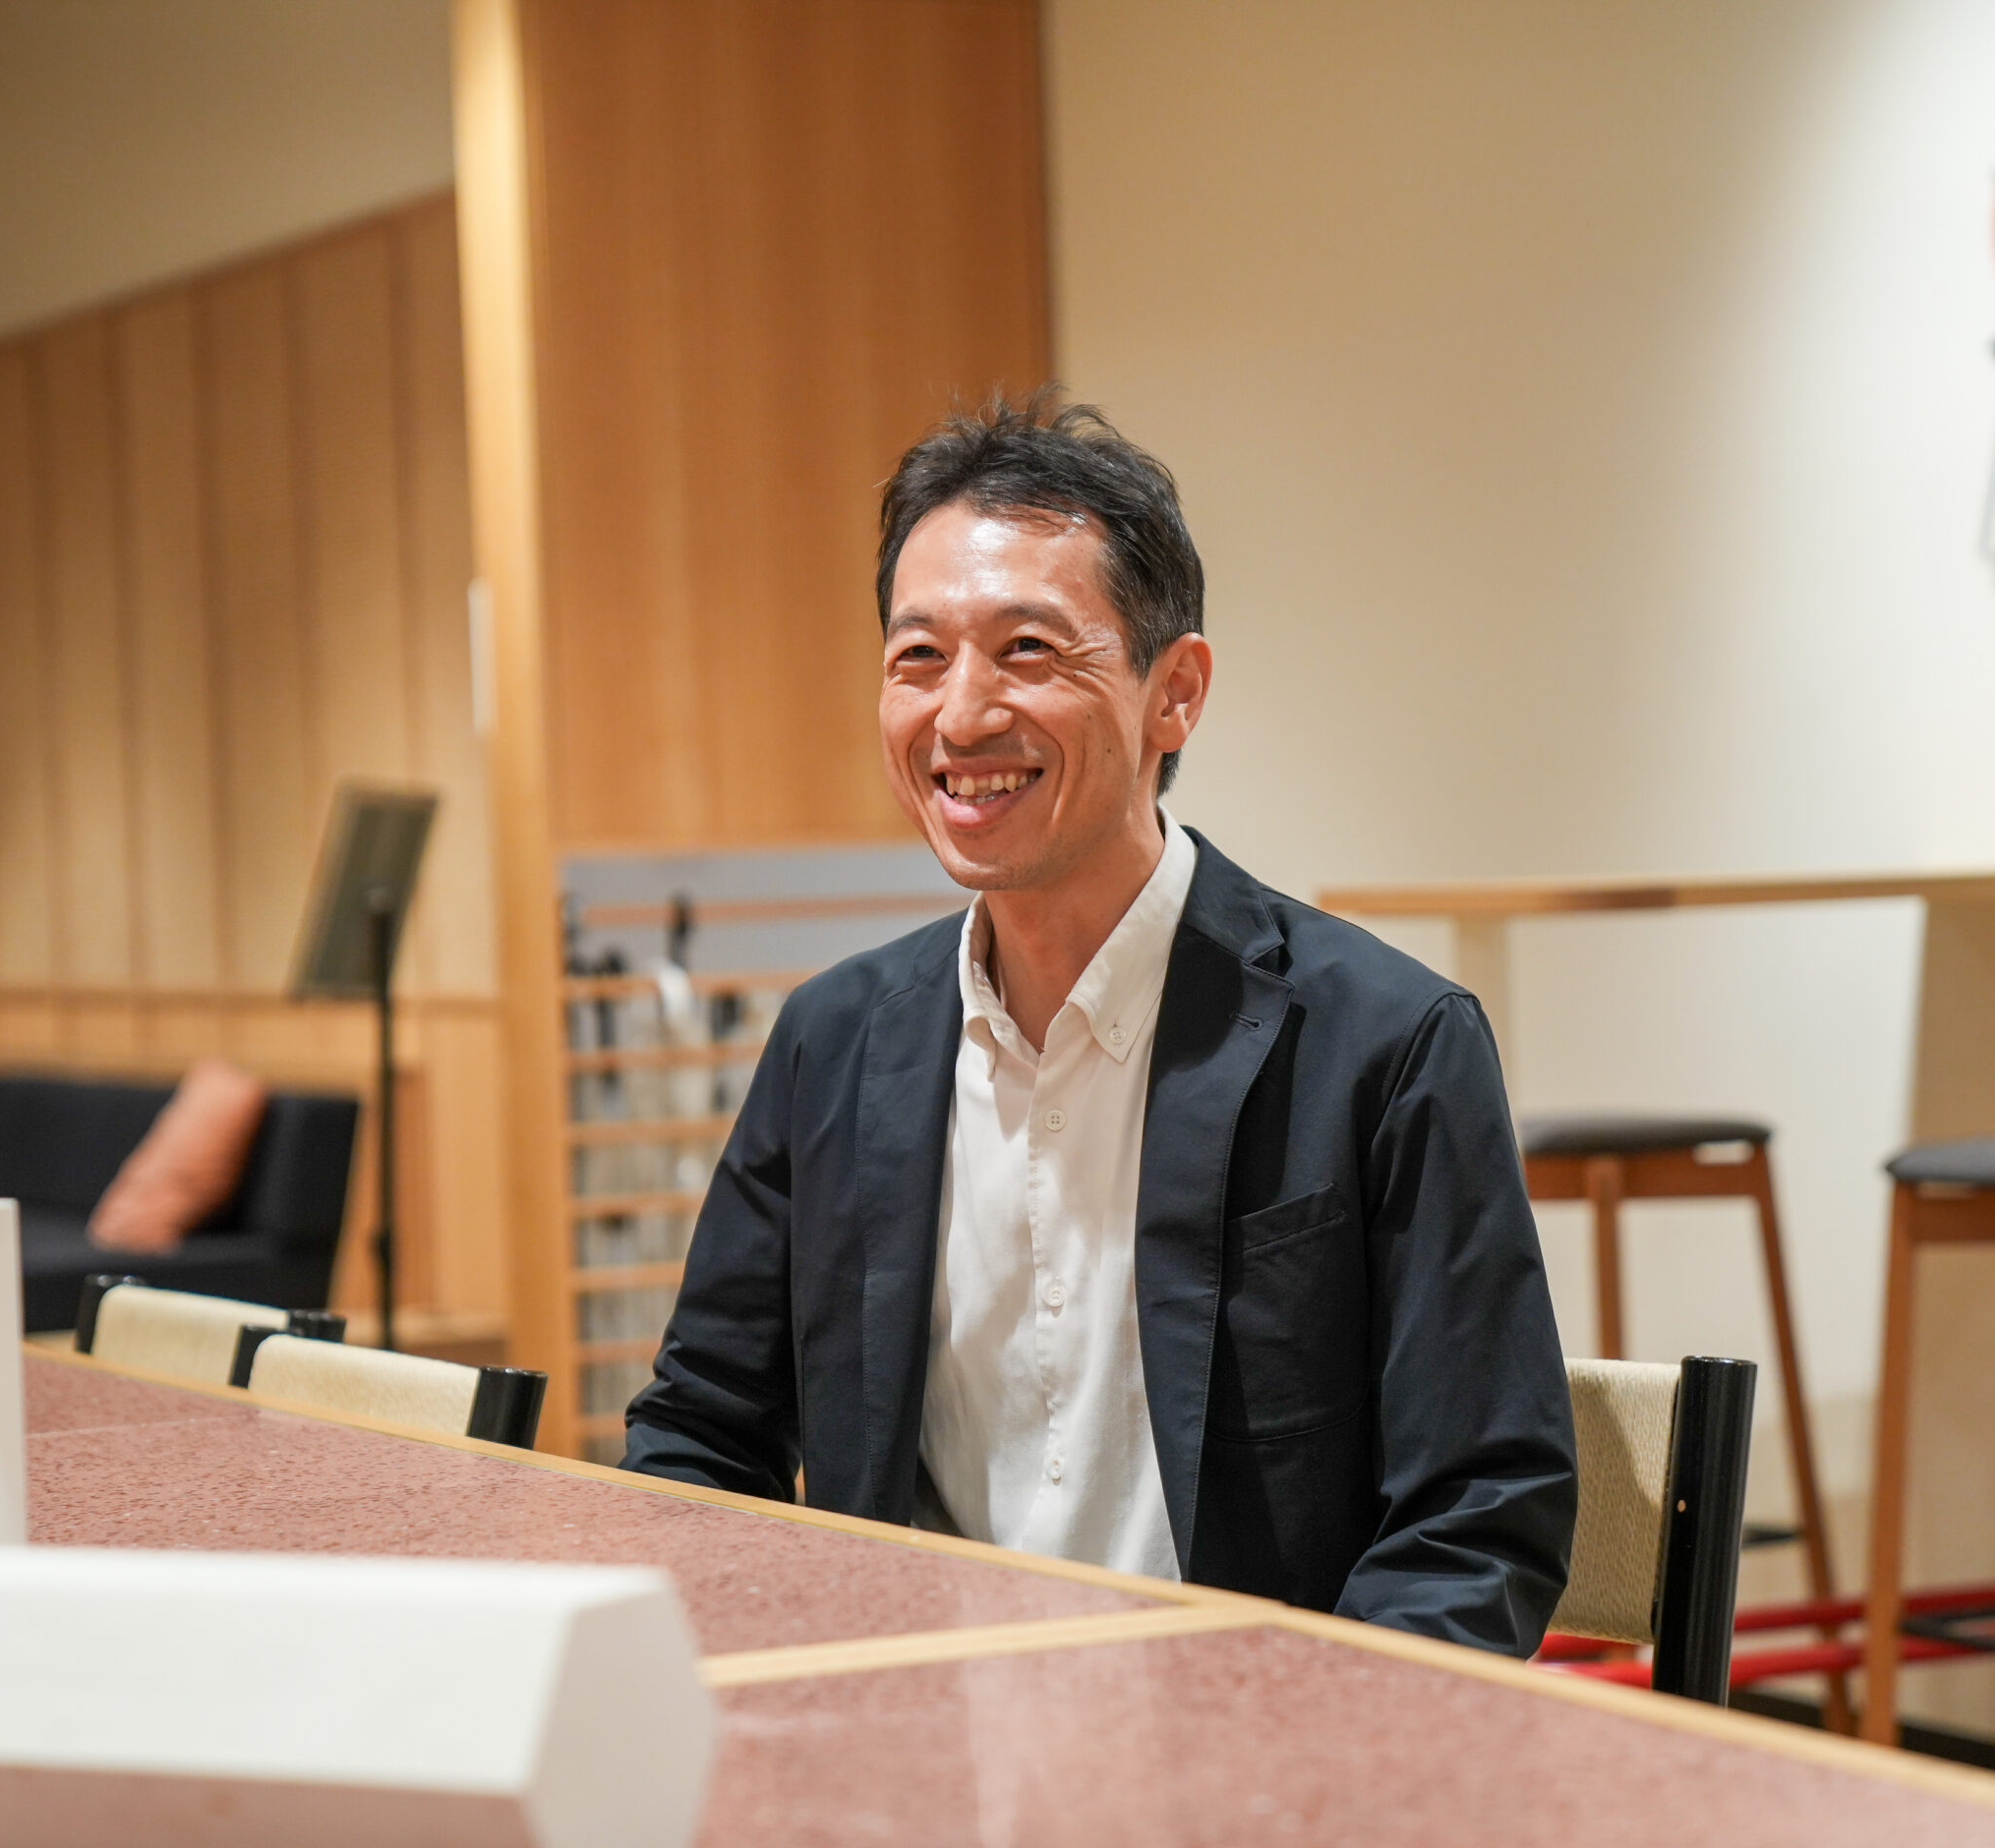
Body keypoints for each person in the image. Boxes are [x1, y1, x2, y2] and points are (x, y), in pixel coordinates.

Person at [623, 395, 1575, 1651]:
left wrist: (1310, 1748)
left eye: (1026, 649)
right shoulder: (833, 1043)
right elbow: (702, 1436)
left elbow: (1478, 1513)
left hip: (1249, 1737)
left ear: (1172, 694)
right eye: (918, 657)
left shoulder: (1386, 1047)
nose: (961, 716)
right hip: (906, 1726)